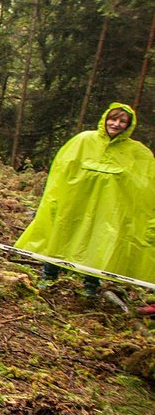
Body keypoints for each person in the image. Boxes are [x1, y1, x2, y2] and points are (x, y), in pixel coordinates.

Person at [16, 102, 154, 298]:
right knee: (61, 235)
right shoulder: (83, 141)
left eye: (122, 121)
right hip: (75, 203)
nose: (116, 124)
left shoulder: (136, 152)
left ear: (129, 125)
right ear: (105, 119)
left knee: (98, 243)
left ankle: (91, 283)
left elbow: (144, 184)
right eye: (113, 119)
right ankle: (49, 275)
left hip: (107, 211)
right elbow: (62, 170)